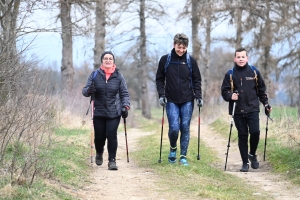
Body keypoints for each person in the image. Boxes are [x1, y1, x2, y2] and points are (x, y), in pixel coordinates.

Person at [221, 47, 272, 172]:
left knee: (255, 132)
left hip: (253, 108)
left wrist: (265, 104)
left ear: (247, 58)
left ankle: (252, 154)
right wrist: (230, 96)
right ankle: (245, 163)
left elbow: (261, 90)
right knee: (242, 135)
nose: (241, 59)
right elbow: (224, 91)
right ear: (235, 59)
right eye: (238, 57)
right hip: (238, 110)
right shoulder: (230, 73)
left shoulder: (254, 72)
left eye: (243, 57)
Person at [155, 33, 202, 166]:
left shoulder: (190, 61)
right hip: (171, 100)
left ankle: (183, 157)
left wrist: (198, 96)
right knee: (174, 128)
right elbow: (159, 79)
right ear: (174, 45)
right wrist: (161, 95)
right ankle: (173, 148)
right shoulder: (165, 60)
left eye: (184, 47)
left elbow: (197, 80)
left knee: (185, 127)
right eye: (179, 47)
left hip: (187, 99)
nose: (181, 50)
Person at [82, 51, 130, 170]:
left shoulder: (119, 76)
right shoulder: (94, 75)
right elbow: (85, 91)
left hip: (114, 111)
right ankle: (99, 153)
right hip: (98, 111)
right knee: (99, 137)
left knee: (111, 135)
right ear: (102, 61)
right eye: (105, 59)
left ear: (113, 61)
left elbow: (124, 93)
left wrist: (125, 106)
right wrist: (89, 91)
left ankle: (112, 161)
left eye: (110, 59)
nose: (108, 60)